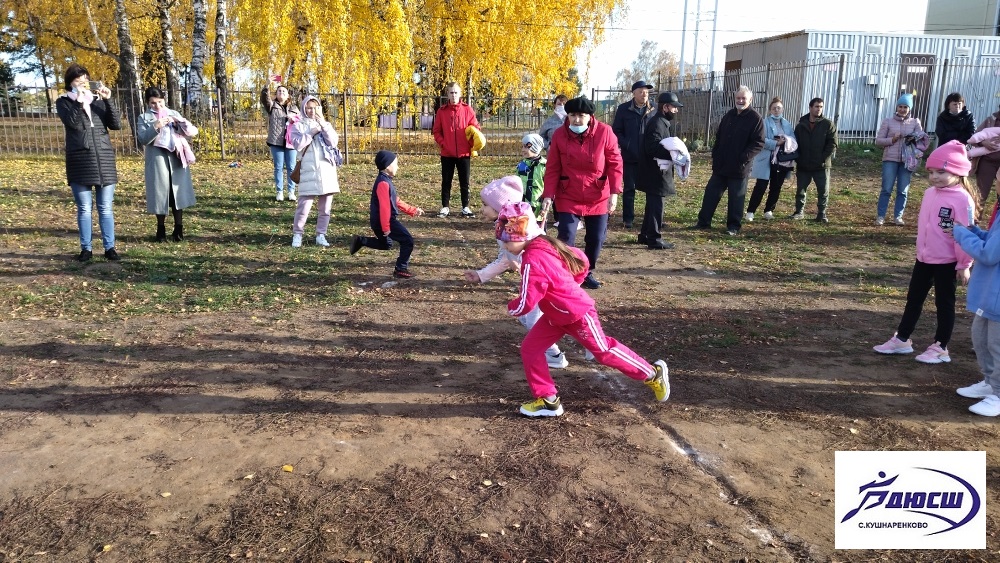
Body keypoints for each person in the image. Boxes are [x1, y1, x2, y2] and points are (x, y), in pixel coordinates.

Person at [495, 202, 669, 417]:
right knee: (531, 349)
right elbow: (580, 259)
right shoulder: (544, 245)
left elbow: (527, 301)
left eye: (506, 240)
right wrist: (574, 282)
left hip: (577, 314)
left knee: (603, 351)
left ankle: (652, 373)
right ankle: (548, 400)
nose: (504, 246)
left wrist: (512, 307)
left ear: (523, 235)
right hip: (556, 315)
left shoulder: (533, 259)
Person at [873, 141, 979, 364]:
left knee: (944, 304)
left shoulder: (962, 199)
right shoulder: (929, 193)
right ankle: (902, 339)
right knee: (914, 299)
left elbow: (966, 234)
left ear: (958, 172)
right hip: (924, 258)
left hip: (947, 262)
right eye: (931, 172)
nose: (934, 177)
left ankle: (941, 347)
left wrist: (964, 264)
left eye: (941, 172)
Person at [462, 177, 569, 369]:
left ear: (499, 207)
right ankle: (588, 341)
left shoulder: (516, 228)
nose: (482, 209)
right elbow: (505, 258)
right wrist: (481, 275)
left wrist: (485, 273)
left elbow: (508, 258)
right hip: (539, 279)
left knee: (534, 318)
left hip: (543, 280)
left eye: (485, 205)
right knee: (538, 316)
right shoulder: (508, 224)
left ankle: (554, 355)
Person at [542, 96, 624, 290]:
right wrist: (548, 195)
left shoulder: (605, 132)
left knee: (596, 238)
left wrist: (614, 192)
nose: (577, 120)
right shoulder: (560, 135)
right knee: (566, 236)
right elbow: (553, 167)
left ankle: (587, 272)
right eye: (572, 115)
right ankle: (568, 275)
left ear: (590, 116)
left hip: (598, 194)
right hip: (568, 194)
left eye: (581, 116)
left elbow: (615, 163)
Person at [56, 63, 122, 262]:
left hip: (104, 159)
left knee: (105, 207)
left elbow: (116, 124)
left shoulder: (97, 101)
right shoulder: (63, 102)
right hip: (80, 160)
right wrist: (78, 100)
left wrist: (108, 100)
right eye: (78, 80)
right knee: (84, 208)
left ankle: (110, 248)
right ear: (70, 83)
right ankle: (86, 249)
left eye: (85, 79)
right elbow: (73, 123)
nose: (83, 83)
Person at [953, 178, 1000, 416]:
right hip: (991, 292)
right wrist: (975, 232)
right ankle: (991, 383)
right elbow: (993, 242)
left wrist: (961, 234)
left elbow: (989, 254)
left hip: (997, 294)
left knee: (997, 345)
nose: (996, 182)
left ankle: (999, 393)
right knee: (981, 338)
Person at [693, 85, 764, 235]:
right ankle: (703, 222)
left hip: (739, 167)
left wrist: (743, 157)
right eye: (738, 98)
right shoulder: (729, 115)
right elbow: (719, 137)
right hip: (722, 165)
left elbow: (758, 143)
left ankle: (733, 227)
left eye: (743, 98)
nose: (740, 101)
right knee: (711, 194)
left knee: (736, 199)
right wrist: (716, 154)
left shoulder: (755, 118)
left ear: (750, 99)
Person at [136, 86, 198, 242]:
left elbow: (187, 131)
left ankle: (178, 229)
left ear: (164, 100)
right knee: (160, 194)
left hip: (177, 158)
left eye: (160, 102)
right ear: (148, 103)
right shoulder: (143, 118)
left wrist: (177, 123)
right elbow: (143, 139)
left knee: (178, 194)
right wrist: (155, 126)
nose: (157, 106)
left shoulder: (174, 113)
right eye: (153, 103)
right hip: (157, 160)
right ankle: (160, 230)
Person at [349, 150, 424, 278]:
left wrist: (412, 210)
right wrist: (386, 228)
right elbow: (384, 208)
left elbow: (395, 200)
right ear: (387, 166)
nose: (398, 167)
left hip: (379, 222)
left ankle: (361, 241)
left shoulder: (385, 180)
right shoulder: (383, 183)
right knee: (407, 241)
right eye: (396, 164)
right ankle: (401, 268)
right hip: (385, 221)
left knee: (386, 244)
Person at [288, 96, 340, 248]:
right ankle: (298, 235)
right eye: (309, 108)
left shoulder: (325, 124)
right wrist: (310, 133)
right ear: (304, 109)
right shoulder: (298, 126)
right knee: (303, 207)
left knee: (325, 208)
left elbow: (333, 142)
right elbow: (297, 144)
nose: (312, 111)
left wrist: (323, 125)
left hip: (326, 170)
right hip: (308, 171)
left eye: (315, 108)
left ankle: (321, 235)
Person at [637, 91, 683, 249]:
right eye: (674, 107)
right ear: (665, 107)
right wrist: (673, 152)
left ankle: (645, 235)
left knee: (652, 205)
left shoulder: (661, 122)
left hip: (655, 171)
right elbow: (652, 148)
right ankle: (654, 239)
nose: (676, 110)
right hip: (655, 172)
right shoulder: (658, 123)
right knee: (657, 206)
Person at [875, 93, 929, 226]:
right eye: (900, 106)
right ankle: (881, 216)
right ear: (896, 107)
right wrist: (892, 139)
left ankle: (898, 217)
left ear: (910, 109)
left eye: (905, 107)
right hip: (890, 159)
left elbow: (921, 140)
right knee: (886, 188)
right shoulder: (888, 121)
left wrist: (913, 138)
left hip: (908, 160)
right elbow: (879, 141)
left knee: (903, 190)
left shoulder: (915, 122)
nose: (902, 109)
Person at [612, 80, 656, 229]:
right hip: (630, 156)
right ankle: (628, 219)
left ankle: (651, 218)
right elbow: (616, 131)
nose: (644, 94)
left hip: (649, 156)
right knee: (629, 189)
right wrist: (627, 144)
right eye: (641, 92)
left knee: (652, 189)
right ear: (634, 93)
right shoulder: (624, 109)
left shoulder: (654, 108)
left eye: (647, 92)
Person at [432, 82, 480, 218]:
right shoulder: (442, 111)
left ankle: (465, 207)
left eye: (456, 92)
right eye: (451, 92)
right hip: (447, 153)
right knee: (446, 181)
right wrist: (443, 144)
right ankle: (445, 207)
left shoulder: (467, 110)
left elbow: (476, 128)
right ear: (447, 94)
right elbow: (436, 131)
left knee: (465, 181)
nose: (453, 95)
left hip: (464, 153)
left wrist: (472, 140)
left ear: (460, 94)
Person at [746, 96, 796, 222]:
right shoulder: (764, 122)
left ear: (782, 109)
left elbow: (793, 140)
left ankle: (769, 210)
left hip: (781, 160)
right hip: (766, 159)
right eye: (774, 108)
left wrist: (786, 141)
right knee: (761, 185)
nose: (776, 110)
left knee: (776, 186)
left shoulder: (787, 124)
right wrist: (775, 143)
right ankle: (751, 211)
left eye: (779, 108)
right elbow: (760, 139)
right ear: (770, 110)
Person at [791, 97, 838, 222]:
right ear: (810, 107)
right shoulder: (801, 125)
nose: (819, 109)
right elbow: (795, 144)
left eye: (821, 107)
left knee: (823, 190)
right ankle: (799, 211)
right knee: (801, 190)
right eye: (816, 106)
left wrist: (822, 158)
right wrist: (799, 159)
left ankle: (821, 213)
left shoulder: (828, 124)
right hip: (804, 164)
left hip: (821, 165)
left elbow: (833, 144)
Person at [260, 80, 299, 201]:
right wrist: (267, 85)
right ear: (276, 94)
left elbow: (300, 121)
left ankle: (291, 192)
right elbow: (264, 98)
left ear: (288, 95)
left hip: (290, 142)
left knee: (291, 167)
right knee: (278, 167)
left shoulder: (294, 108)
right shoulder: (272, 106)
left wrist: (293, 119)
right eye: (279, 91)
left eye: (283, 91)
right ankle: (279, 192)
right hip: (276, 141)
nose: (281, 92)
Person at [972, 105, 1000, 207]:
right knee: (980, 195)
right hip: (987, 162)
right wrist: (983, 142)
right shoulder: (990, 120)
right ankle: (975, 216)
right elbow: (975, 137)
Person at [516, 133, 546, 217]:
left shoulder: (544, 166)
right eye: (522, 146)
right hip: (522, 206)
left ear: (535, 147)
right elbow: (516, 183)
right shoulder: (521, 165)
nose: (522, 150)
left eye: (526, 147)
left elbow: (549, 186)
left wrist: (544, 206)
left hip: (538, 207)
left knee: (538, 225)